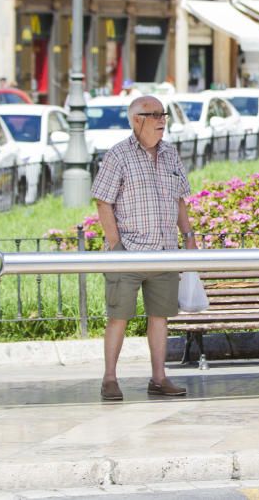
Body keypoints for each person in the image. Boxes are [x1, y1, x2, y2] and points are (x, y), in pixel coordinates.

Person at [91, 95, 197, 401]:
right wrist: (116, 247)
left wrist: (188, 235)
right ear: (137, 120)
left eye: (164, 114)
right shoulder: (118, 155)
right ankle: (110, 378)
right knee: (119, 316)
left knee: (160, 317)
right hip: (130, 251)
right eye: (156, 115)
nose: (163, 120)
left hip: (164, 250)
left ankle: (159, 378)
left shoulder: (170, 153)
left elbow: (179, 199)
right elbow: (103, 201)